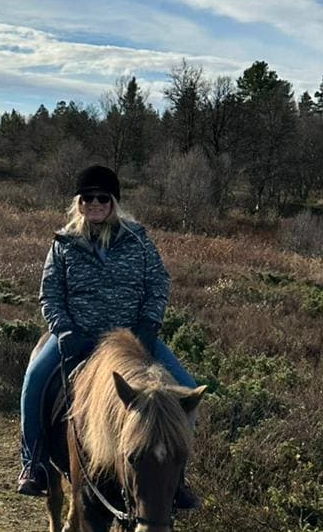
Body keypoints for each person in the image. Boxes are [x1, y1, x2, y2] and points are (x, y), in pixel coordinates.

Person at [16, 163, 199, 504]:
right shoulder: (63, 244)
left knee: (187, 394)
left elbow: (158, 283)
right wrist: (64, 329)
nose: (95, 204)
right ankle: (34, 462)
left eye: (102, 198)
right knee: (33, 383)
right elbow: (50, 293)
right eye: (87, 198)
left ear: (113, 202)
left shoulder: (138, 241)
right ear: (78, 203)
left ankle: (176, 479)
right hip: (77, 336)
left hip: (133, 339)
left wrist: (148, 325)